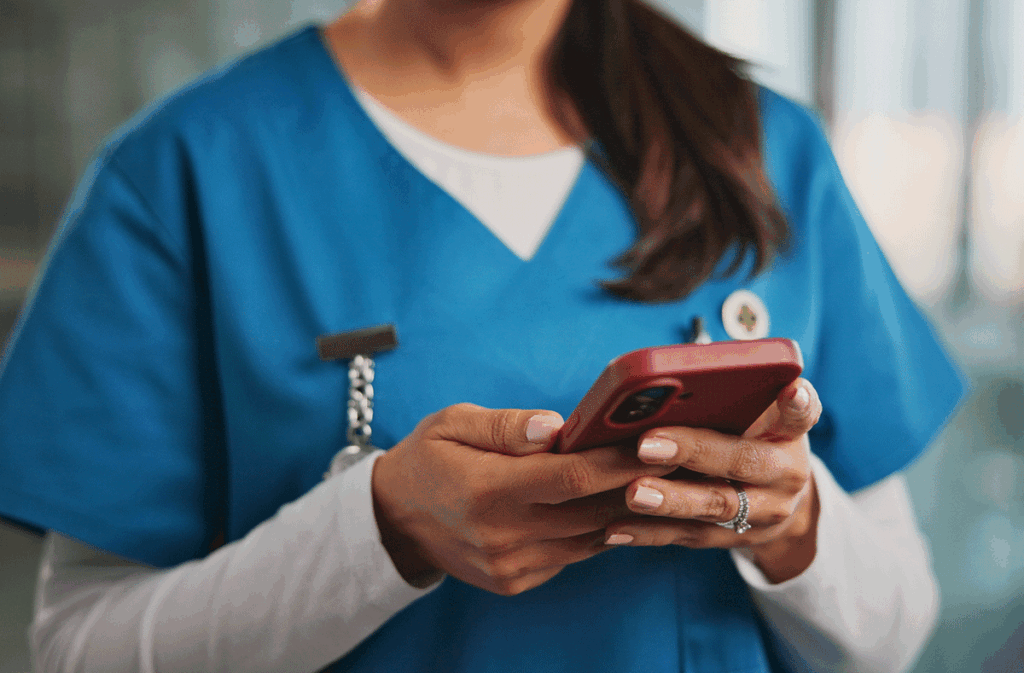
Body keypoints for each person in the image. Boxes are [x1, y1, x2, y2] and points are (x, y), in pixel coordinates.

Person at [0, 0, 965, 671]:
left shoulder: (763, 147)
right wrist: (384, 529)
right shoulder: (184, 175)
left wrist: (797, 526)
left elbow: (893, 629)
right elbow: (80, 648)